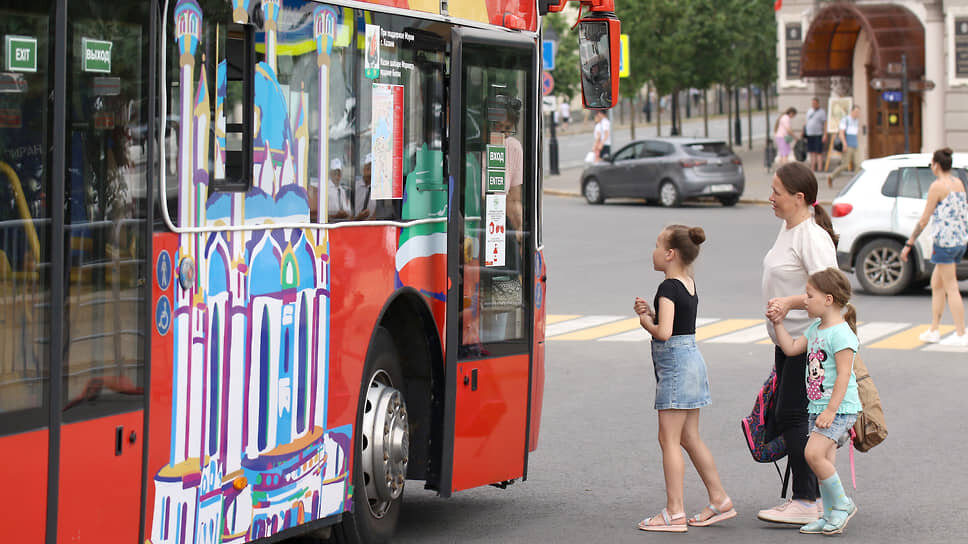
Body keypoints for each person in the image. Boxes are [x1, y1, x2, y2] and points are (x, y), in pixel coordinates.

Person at [634, 225, 736, 533]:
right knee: (690, 437)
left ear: (669, 254)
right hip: (692, 361)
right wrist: (652, 315)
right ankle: (719, 500)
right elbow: (676, 324)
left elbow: (664, 333)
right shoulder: (687, 282)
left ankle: (674, 512)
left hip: (677, 367)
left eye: (656, 245)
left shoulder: (667, 287)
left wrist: (645, 322)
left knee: (668, 440)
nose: (652, 251)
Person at [758, 161, 838, 526]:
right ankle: (812, 498)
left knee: (793, 415)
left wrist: (789, 303)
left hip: (809, 342)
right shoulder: (788, 229)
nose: (770, 197)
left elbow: (832, 294)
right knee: (789, 414)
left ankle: (806, 498)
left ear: (799, 198)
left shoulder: (811, 236)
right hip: (788, 339)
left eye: (777, 192)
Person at [768, 267, 861, 535]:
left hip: (838, 409)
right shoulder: (816, 328)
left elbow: (845, 375)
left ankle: (842, 505)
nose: (804, 301)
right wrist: (778, 324)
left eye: (809, 296)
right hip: (818, 407)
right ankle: (829, 513)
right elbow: (792, 348)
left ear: (829, 299)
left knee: (812, 455)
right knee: (825, 462)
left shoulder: (841, 334)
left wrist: (831, 410)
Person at [900, 148, 968, 346]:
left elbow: (924, 219)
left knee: (951, 286)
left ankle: (961, 332)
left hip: (944, 243)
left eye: (932, 163)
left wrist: (910, 242)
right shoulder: (958, 183)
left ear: (936, 165)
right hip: (958, 241)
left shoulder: (937, 186)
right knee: (937, 284)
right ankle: (934, 329)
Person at [828, 105, 861, 188]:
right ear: (852, 111)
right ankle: (831, 176)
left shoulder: (856, 121)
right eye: (856, 112)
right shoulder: (845, 120)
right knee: (845, 165)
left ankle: (855, 183)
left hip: (855, 145)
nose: (858, 113)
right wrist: (844, 144)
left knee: (858, 164)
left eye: (858, 112)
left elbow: (856, 134)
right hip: (847, 145)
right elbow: (841, 133)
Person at [803, 98, 827, 172]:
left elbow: (825, 123)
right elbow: (806, 121)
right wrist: (803, 130)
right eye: (812, 103)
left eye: (815, 103)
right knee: (812, 151)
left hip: (818, 134)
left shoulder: (822, 112)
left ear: (818, 103)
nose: (813, 105)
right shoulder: (809, 111)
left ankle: (819, 168)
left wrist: (825, 134)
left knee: (818, 152)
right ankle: (813, 167)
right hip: (810, 134)